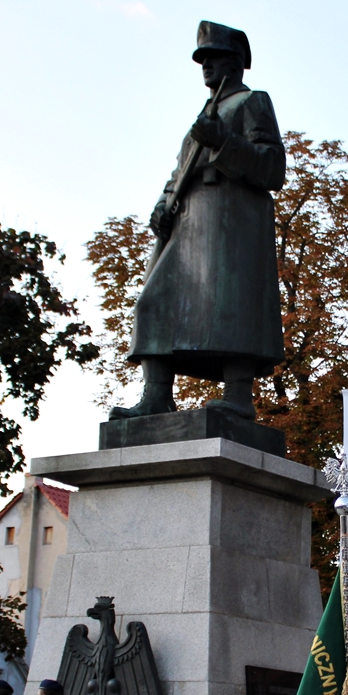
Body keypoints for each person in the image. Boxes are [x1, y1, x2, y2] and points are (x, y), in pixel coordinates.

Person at [114, 21, 287, 422]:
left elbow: (273, 168)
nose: (206, 65)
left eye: (215, 57)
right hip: (190, 221)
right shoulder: (203, 114)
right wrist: (162, 203)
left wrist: (224, 142)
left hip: (232, 225)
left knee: (234, 309)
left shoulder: (251, 102)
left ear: (237, 61)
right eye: (202, 59)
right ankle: (156, 395)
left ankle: (238, 396)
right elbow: (178, 173)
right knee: (154, 301)